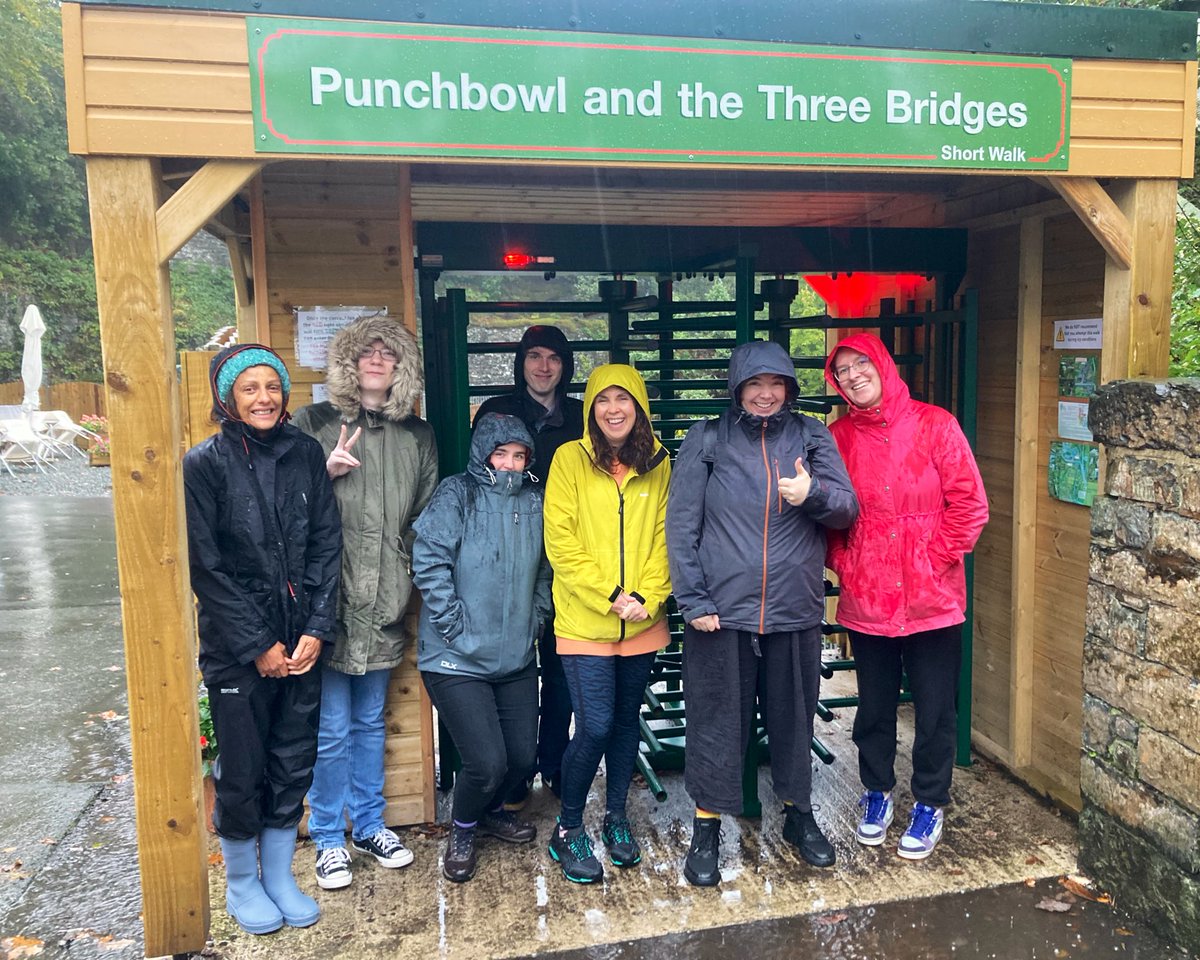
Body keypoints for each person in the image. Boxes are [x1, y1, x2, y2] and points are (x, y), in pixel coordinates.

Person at [666, 340, 859, 886]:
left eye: (776, 385)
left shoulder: (811, 435)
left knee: (793, 721)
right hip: (719, 614)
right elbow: (681, 527)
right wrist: (694, 600)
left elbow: (846, 507)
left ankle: (801, 816)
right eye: (755, 385)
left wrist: (812, 492)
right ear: (737, 389)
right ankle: (706, 830)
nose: (767, 394)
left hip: (793, 609)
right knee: (715, 723)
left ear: (790, 390)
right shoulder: (706, 439)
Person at [184, 344, 341, 935]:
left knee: (293, 758)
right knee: (244, 767)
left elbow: (327, 545)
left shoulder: (306, 452)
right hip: (236, 650)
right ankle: (243, 883)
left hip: (302, 644)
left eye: (271, 386)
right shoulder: (204, 464)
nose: (263, 398)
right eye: (248, 389)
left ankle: (279, 875)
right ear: (228, 397)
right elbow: (207, 567)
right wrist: (257, 645)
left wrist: (316, 631)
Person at [823, 333, 988, 861]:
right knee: (873, 708)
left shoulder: (937, 424)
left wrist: (931, 560)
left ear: (882, 364)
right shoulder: (838, 437)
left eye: (859, 364)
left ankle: (930, 802)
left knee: (936, 708)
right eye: (841, 370)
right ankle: (877, 794)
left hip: (932, 599)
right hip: (869, 600)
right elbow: (827, 514)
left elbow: (970, 505)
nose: (852, 375)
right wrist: (850, 563)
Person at [291, 315, 438, 891]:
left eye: (389, 353)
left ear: (401, 367)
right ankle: (328, 836)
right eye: (366, 351)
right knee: (329, 730)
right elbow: (285, 512)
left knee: (370, 723)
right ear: (349, 362)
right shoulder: (314, 423)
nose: (378, 360)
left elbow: (425, 517)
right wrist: (322, 475)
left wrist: (409, 578)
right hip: (327, 603)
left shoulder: (417, 436)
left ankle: (370, 824)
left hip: (385, 601)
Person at [542, 364, 672, 884]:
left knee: (623, 725)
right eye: (602, 400)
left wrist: (649, 596)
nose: (613, 409)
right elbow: (561, 542)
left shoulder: (661, 462)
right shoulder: (568, 460)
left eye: (624, 398)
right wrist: (611, 596)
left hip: (643, 622)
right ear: (590, 408)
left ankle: (616, 818)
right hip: (584, 621)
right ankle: (568, 827)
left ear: (639, 405)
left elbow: (669, 536)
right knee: (593, 725)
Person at [412, 413, 552, 882]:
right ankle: (464, 828)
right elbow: (428, 558)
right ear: (483, 454)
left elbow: (547, 570)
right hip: (455, 657)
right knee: (485, 761)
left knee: (521, 759)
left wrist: (537, 616)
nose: (511, 464)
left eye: (519, 456)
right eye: (501, 454)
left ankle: (491, 812)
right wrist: (452, 624)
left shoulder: (536, 500)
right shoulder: (458, 494)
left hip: (514, 655)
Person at [474, 325, 584, 804]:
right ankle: (514, 774)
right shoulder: (495, 411)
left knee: (561, 672)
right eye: (534, 356)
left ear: (565, 365)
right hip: (507, 557)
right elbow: (476, 475)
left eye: (553, 358)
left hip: (567, 558)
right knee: (512, 669)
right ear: (521, 362)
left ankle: (556, 765)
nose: (543, 366)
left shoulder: (584, 416)